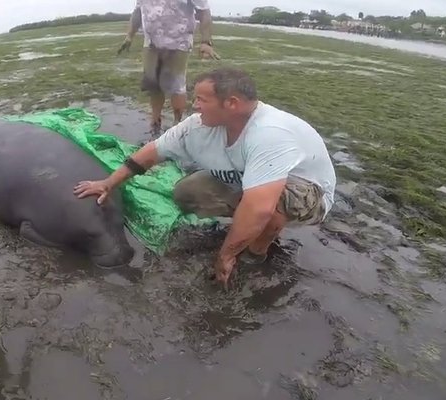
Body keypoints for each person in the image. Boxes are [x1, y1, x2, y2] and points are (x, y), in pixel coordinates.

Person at [74, 67, 336, 287]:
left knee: (266, 210)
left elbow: (259, 207)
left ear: (231, 103)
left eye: (202, 99)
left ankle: (257, 254)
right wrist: (108, 183)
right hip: (249, 183)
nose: (195, 105)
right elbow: (150, 154)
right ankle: (245, 230)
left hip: (306, 194)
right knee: (186, 193)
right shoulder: (197, 126)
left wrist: (226, 256)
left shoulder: (269, 133)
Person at [118, 0, 220, 138]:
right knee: (153, 84)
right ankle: (155, 124)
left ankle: (177, 126)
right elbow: (138, 11)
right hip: (151, 43)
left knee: (176, 85)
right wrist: (129, 36)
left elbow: (204, 12)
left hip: (179, 43)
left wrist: (206, 42)